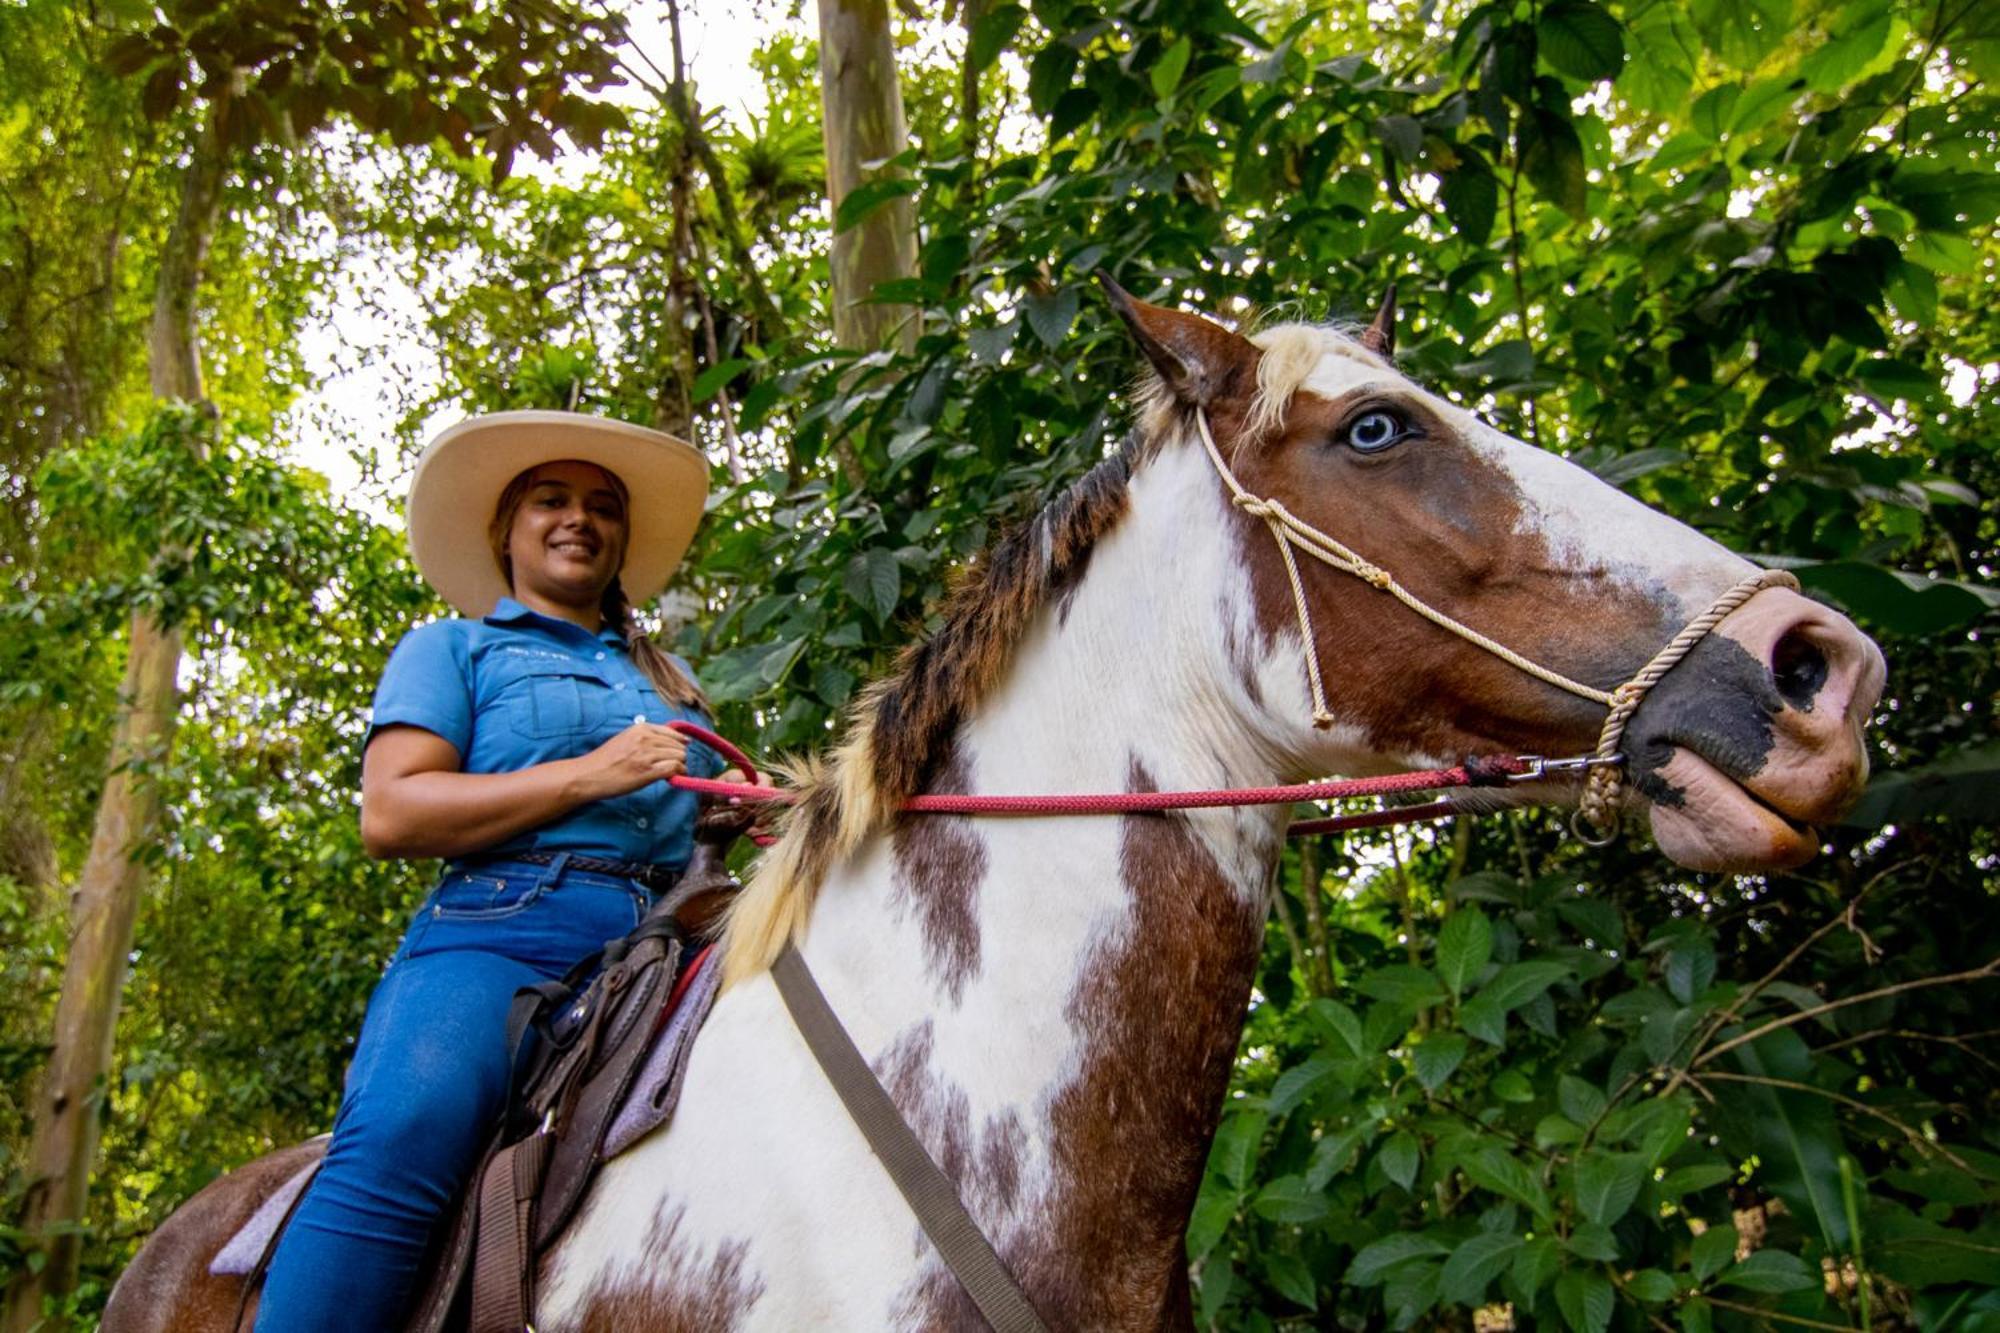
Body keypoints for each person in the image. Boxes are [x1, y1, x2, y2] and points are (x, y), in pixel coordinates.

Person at [256, 411, 750, 1329]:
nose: (580, 519)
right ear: (506, 533)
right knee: (408, 1131)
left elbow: (692, 816)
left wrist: (741, 814)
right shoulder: (455, 649)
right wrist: (589, 774)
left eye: (603, 506)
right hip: (502, 930)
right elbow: (394, 810)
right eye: (551, 501)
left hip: (674, 942)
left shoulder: (671, 676)